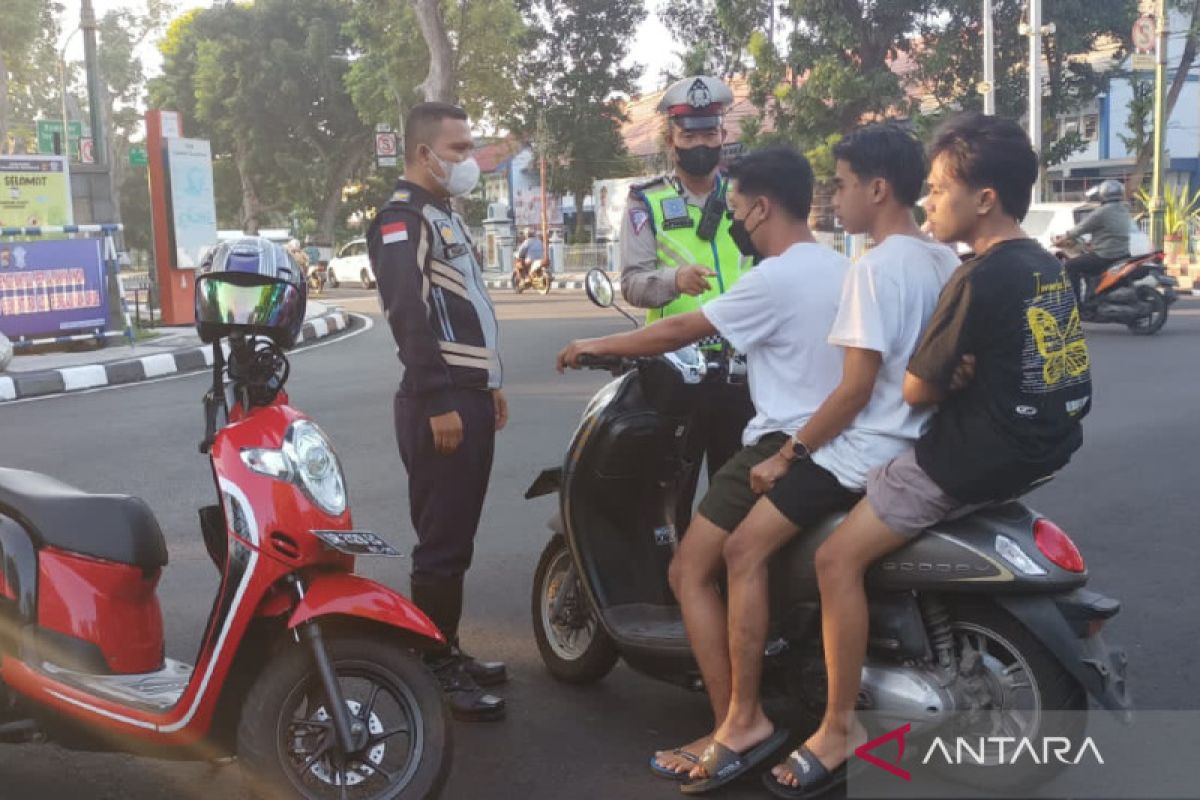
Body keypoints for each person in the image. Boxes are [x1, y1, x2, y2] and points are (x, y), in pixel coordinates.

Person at [767, 112, 1092, 796]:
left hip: (962, 459)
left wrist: (946, 370)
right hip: (1041, 449)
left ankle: (836, 728)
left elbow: (915, 386)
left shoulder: (974, 277)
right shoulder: (1041, 266)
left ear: (984, 200)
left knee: (834, 559)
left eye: (942, 188)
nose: (931, 201)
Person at [678, 124, 957, 792]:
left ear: (878, 188)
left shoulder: (872, 267)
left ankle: (747, 719)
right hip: (925, 446)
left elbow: (854, 391)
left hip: (862, 451)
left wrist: (791, 453)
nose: (836, 196)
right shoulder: (944, 260)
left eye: (843, 183)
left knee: (743, 551)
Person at [558, 146, 848, 788]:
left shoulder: (772, 278)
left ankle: (735, 721)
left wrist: (594, 344)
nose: (735, 220)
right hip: (843, 441)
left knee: (689, 567)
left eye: (739, 208)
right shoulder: (839, 266)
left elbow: (675, 332)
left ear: (763, 207)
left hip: (783, 441)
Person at [366, 101, 509, 722]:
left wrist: (491, 381)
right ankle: (432, 667)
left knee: (457, 539)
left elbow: (464, 305)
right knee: (441, 546)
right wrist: (438, 398)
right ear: (424, 155)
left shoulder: (441, 214)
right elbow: (408, 314)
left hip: (467, 395)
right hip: (440, 403)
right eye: (458, 150)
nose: (468, 160)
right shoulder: (401, 220)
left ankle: (445, 648)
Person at [621, 76, 756, 529]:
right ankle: (668, 590)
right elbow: (633, 284)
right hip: (677, 372)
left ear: (723, 136)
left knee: (739, 501)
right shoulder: (648, 200)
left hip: (745, 372)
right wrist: (674, 280)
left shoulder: (749, 196)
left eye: (709, 134)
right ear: (671, 140)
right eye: (689, 135)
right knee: (666, 501)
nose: (701, 143)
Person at [1055, 178, 1131, 303]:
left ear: (1103, 194)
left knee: (1070, 266)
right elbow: (1109, 232)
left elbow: (1080, 228)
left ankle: (1075, 304)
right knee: (1086, 261)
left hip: (1105, 256)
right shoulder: (1124, 208)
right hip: (1122, 253)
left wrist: (1062, 239)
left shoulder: (1101, 212)